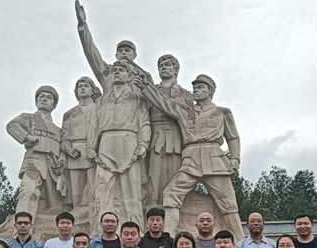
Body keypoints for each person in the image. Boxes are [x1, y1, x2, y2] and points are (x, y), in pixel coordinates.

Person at [134, 72, 244, 238]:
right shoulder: (185, 111)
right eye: (194, 88)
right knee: (171, 194)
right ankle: (169, 238)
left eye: (200, 87)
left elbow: (233, 137)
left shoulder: (223, 112)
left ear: (210, 90)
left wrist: (235, 158)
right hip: (191, 159)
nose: (195, 90)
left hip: (214, 159)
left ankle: (241, 239)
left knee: (228, 203)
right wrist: (146, 87)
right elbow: (165, 103)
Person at [86, 60, 151, 229]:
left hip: (129, 140)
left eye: (121, 70)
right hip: (106, 141)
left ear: (129, 76)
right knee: (102, 187)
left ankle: (136, 229)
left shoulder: (138, 98)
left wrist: (143, 143)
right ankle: (100, 229)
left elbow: (144, 123)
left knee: (132, 188)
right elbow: (94, 125)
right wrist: (90, 146)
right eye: (114, 70)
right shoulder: (101, 100)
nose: (116, 72)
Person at [6, 85, 66, 222]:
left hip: (53, 167)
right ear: (36, 101)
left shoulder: (58, 130)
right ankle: (22, 226)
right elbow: (12, 125)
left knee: (56, 205)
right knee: (29, 192)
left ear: (54, 105)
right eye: (41, 97)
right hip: (34, 161)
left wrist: (62, 162)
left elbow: (63, 148)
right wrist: (26, 137)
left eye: (49, 97)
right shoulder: (29, 118)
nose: (44, 99)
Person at [147, 54, 194, 206]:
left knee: (175, 175)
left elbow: (189, 116)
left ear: (176, 70)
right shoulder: (150, 91)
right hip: (155, 136)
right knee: (154, 177)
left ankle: (174, 209)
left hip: (176, 136)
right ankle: (153, 212)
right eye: (161, 66)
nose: (163, 68)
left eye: (167, 65)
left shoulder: (186, 94)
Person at [74, 0, 141, 93]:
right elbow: (91, 51)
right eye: (120, 51)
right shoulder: (107, 71)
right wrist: (83, 25)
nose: (123, 53)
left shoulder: (142, 75)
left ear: (135, 55)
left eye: (127, 50)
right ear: (116, 55)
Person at [61, 77, 102, 208]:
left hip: (95, 151)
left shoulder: (99, 108)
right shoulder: (69, 113)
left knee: (94, 190)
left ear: (93, 89)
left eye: (86, 85)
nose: (82, 88)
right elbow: (64, 138)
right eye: (80, 86)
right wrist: (68, 149)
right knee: (76, 195)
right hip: (75, 154)